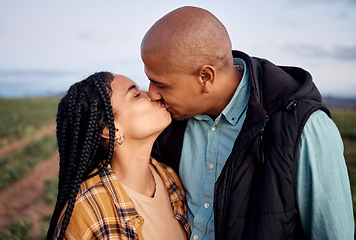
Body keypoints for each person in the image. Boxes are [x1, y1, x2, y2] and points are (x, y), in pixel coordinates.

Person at [140, 6, 354, 240]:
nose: (152, 94)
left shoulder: (304, 128)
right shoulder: (168, 120)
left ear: (206, 77)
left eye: (160, 84)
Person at [46, 72, 190, 240]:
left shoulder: (169, 177)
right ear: (110, 128)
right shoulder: (86, 212)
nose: (150, 95)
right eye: (136, 95)